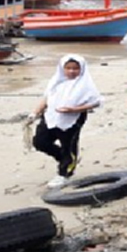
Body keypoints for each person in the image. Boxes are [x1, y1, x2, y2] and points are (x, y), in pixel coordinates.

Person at [29, 54, 103, 188]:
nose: (71, 71)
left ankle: (64, 173)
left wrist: (74, 109)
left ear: (81, 69)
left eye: (75, 68)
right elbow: (46, 99)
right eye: (68, 68)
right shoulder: (56, 82)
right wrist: (35, 113)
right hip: (51, 116)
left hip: (73, 119)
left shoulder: (85, 84)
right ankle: (64, 158)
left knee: (68, 145)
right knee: (40, 142)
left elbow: (95, 102)